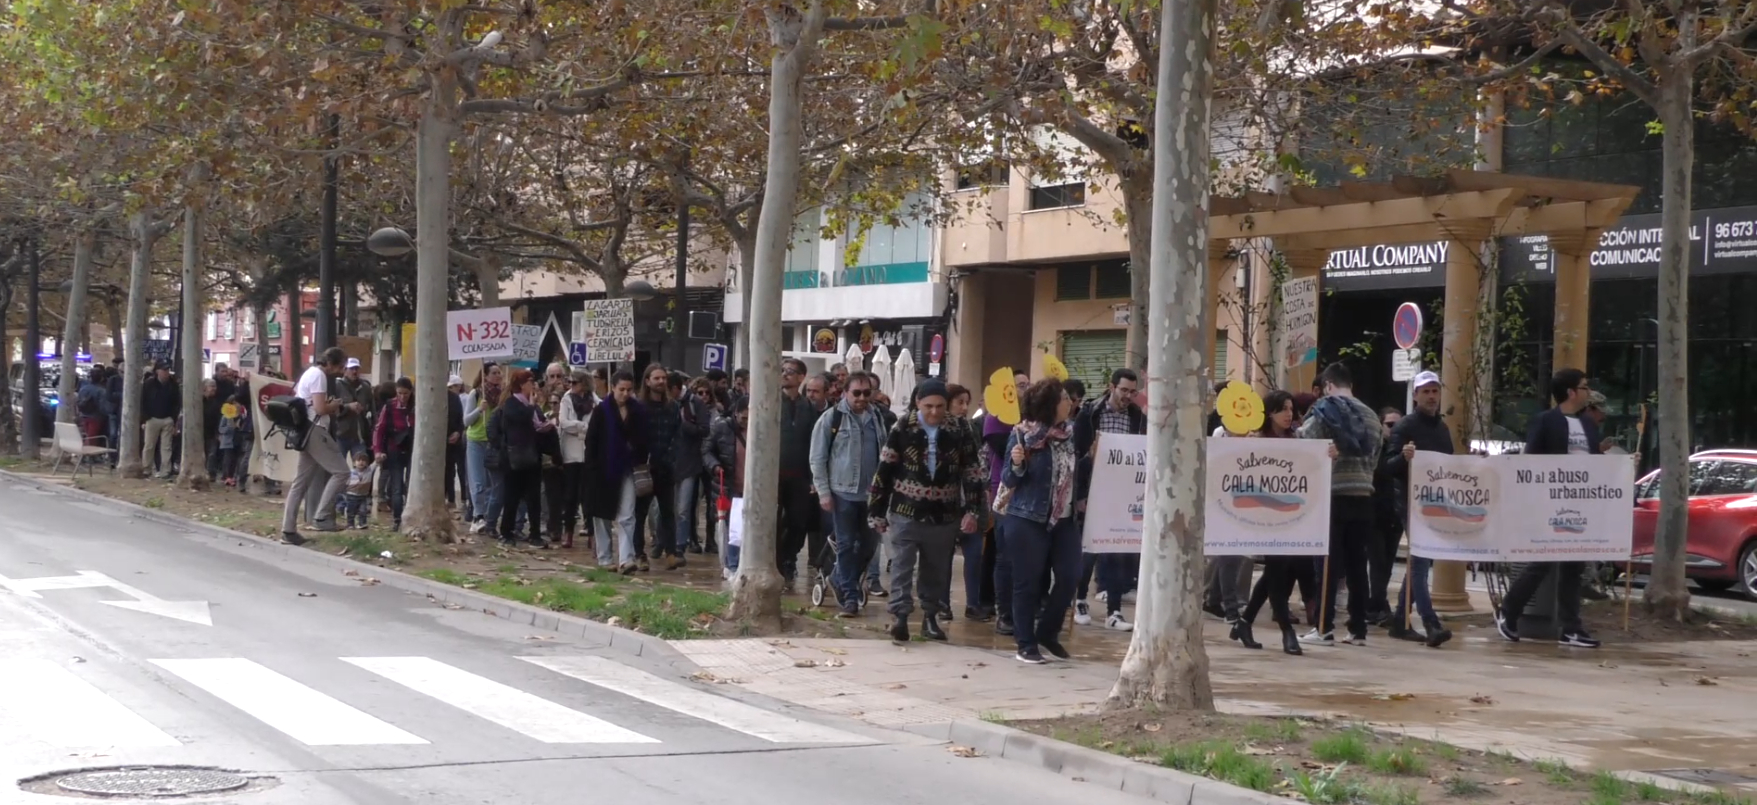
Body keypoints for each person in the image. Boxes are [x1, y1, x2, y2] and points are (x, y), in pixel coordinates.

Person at [1496, 367, 1606, 649]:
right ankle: (1509, 611)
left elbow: (1597, 464)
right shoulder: (1545, 422)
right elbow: (1531, 464)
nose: (1587, 392)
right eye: (1584, 387)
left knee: (1574, 566)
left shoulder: (1589, 425)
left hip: (1581, 504)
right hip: (1550, 504)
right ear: (1571, 392)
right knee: (1542, 562)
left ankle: (1571, 628)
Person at [868, 380, 985, 642]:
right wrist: (876, 510)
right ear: (918, 403)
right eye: (928, 406)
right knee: (901, 565)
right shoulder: (902, 427)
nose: (934, 412)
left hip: (943, 513)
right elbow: (884, 470)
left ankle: (930, 617)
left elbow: (972, 471)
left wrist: (973, 510)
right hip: (905, 510)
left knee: (935, 567)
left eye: (940, 407)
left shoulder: (960, 429)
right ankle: (900, 616)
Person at [996, 379, 1082, 664]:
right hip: (1027, 517)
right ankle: (1025, 643)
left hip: (1064, 518)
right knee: (1028, 582)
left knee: (1071, 575)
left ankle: (1047, 631)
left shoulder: (1071, 433)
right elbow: (1009, 479)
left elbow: (1075, 472)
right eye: (1064, 399)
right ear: (1050, 404)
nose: (1070, 403)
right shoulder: (1022, 435)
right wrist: (1018, 463)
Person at [1299, 362, 1379, 646]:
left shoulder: (1326, 410)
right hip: (1363, 495)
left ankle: (1323, 627)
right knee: (1358, 566)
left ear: (1329, 385)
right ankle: (1358, 629)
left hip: (1332, 495)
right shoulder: (1371, 416)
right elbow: (1374, 458)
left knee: (1328, 564)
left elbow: (1301, 441)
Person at [1380, 371, 1454, 647]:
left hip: (1434, 503)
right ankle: (1430, 622)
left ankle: (1400, 621)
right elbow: (1387, 467)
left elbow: (1448, 465)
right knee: (1421, 561)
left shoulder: (1442, 428)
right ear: (1415, 396)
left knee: (1419, 562)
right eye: (1426, 391)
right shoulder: (1405, 426)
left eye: (1435, 391)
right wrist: (1403, 457)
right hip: (1410, 502)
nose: (1432, 396)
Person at [1237, 390, 1313, 654]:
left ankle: (1245, 621)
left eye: (1291, 409)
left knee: (1275, 572)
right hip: (1264, 515)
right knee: (1278, 570)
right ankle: (1287, 632)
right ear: (1270, 412)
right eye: (1283, 409)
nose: (1289, 414)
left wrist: (1328, 455)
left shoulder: (1299, 439)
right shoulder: (1257, 440)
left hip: (1291, 516)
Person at [1072, 368, 1145, 632]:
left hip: (1121, 490)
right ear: (1111, 387)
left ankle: (1114, 610)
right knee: (1089, 549)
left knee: (1116, 549)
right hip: (1091, 489)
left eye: (1132, 392)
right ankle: (1080, 599)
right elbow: (1075, 454)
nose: (1127, 396)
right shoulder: (1090, 414)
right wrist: (1079, 495)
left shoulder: (1137, 418)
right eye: (1123, 390)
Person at [810, 370, 885, 618]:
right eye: (856, 393)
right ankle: (850, 599)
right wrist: (823, 492)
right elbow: (817, 458)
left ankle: (837, 578)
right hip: (842, 493)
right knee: (845, 546)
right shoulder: (831, 419)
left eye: (867, 392)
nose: (862, 397)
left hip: (870, 496)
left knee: (868, 546)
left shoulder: (877, 419)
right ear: (845, 393)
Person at [280, 348, 350, 545]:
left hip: (305, 430)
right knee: (342, 472)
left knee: (300, 483)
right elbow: (320, 409)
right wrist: (334, 405)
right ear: (332, 363)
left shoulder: (308, 373)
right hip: (316, 429)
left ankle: (288, 529)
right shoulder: (319, 376)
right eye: (340, 366)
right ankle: (322, 516)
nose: (340, 371)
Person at [585, 371, 647, 572]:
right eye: (621, 389)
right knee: (602, 516)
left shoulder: (637, 410)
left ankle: (626, 558)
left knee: (627, 514)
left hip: (628, 468)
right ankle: (604, 558)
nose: (625, 394)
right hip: (603, 470)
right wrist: (592, 469)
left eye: (629, 390)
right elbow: (591, 441)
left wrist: (636, 451)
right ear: (613, 388)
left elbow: (645, 439)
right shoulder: (602, 410)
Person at [777, 358, 825, 592]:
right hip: (775, 474)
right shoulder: (773, 403)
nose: (785, 374)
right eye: (782, 370)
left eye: (790, 371)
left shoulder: (809, 407)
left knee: (798, 521)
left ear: (801, 377)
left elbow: (814, 442)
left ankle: (789, 557)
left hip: (800, 475)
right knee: (774, 521)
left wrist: (814, 477)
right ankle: (776, 561)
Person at [492, 368, 554, 548]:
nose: (533, 385)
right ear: (521, 385)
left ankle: (535, 534)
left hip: (533, 457)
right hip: (514, 458)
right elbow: (518, 421)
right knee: (512, 496)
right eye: (529, 382)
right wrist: (532, 406)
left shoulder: (532, 405)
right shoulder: (512, 404)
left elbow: (537, 423)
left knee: (534, 498)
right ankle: (506, 532)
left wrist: (546, 427)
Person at [633, 364, 680, 570]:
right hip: (644, 467)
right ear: (647, 381)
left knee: (668, 511)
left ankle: (671, 552)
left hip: (666, 467)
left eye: (663, 378)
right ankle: (639, 554)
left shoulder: (673, 407)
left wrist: (672, 457)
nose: (661, 382)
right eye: (657, 378)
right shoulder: (638, 407)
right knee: (640, 513)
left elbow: (678, 435)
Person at [1368, 405, 1405, 625]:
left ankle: (1376, 605)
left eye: (1398, 425)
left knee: (1387, 564)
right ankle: (1378, 606)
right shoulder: (1376, 449)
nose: (1394, 429)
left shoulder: (1404, 450)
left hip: (1395, 514)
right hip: (1374, 513)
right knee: (1378, 562)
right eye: (1390, 425)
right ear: (1381, 426)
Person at [703, 396, 748, 575]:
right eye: (744, 417)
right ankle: (732, 564)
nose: (747, 421)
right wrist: (715, 466)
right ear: (736, 414)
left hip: (752, 488)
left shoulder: (761, 429)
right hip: (730, 485)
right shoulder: (723, 428)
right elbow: (706, 450)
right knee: (733, 529)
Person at [673, 374, 712, 561]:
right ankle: (663, 541)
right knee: (662, 508)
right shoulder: (665, 403)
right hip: (668, 463)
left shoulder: (694, 403)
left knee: (684, 508)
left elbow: (705, 430)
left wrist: (684, 424)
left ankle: (680, 544)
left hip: (689, 463)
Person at [556, 369, 595, 550]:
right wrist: (582, 426)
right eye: (570, 383)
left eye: (574, 383)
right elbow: (563, 422)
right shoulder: (566, 399)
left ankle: (592, 532)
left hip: (588, 452)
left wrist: (580, 428)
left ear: (584, 384)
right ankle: (568, 530)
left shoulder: (595, 401)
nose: (571, 386)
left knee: (588, 495)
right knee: (570, 494)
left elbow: (596, 424)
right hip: (571, 453)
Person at [372, 377, 416, 531]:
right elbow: (380, 428)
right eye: (399, 393)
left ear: (411, 392)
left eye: (405, 394)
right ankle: (397, 520)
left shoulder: (416, 405)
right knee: (396, 486)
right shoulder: (390, 406)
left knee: (411, 484)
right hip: (394, 448)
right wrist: (378, 450)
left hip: (413, 449)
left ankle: (412, 516)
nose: (402, 397)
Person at [465, 364, 503, 535]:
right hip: (476, 441)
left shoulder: (501, 395)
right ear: (485, 376)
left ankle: (487, 516)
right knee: (478, 482)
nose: (497, 376)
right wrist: (479, 410)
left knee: (491, 482)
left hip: (492, 442)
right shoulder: (476, 393)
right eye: (494, 373)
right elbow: (466, 421)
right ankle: (477, 516)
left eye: (499, 373)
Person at [141, 361, 179, 478]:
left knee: (166, 446)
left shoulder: (173, 384)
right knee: (149, 445)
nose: (166, 373)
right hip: (152, 418)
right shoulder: (149, 384)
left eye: (167, 370)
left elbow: (176, 402)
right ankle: (146, 469)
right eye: (164, 370)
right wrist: (145, 418)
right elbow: (143, 401)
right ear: (157, 371)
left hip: (167, 419)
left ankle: (165, 470)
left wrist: (173, 418)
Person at [332, 358, 375, 461]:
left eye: (356, 368)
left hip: (359, 435)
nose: (354, 372)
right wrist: (348, 407)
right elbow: (331, 408)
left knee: (362, 467)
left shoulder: (365, 387)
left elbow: (372, 408)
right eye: (351, 369)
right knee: (339, 468)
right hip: (340, 434)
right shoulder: (336, 386)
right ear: (345, 370)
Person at [445, 374, 469, 517]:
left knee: (461, 469)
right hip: (440, 441)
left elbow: (461, 419)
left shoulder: (455, 399)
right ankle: (450, 498)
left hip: (456, 440)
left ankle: (464, 498)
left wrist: (458, 433)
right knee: (447, 471)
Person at [342, 451, 377, 530]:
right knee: (351, 511)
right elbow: (345, 482)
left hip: (363, 495)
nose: (361, 462)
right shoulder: (350, 473)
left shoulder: (369, 471)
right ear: (354, 463)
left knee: (363, 510)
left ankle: (362, 523)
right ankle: (350, 524)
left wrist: (378, 459)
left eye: (363, 460)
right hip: (351, 495)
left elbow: (375, 464)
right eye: (358, 460)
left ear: (367, 463)